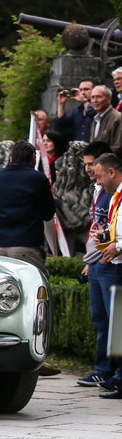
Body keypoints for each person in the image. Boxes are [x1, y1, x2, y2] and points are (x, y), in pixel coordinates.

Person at [76, 141, 117, 388]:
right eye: (87, 165)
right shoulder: (98, 189)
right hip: (97, 262)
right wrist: (90, 260)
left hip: (113, 262)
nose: (90, 170)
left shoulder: (115, 191)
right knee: (100, 319)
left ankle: (115, 373)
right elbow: (96, 227)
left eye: (92, 165)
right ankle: (102, 369)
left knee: (115, 321)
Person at [0, 141, 55, 272]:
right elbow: (48, 213)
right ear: (32, 157)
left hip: (0, 244)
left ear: (11, 157)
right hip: (27, 243)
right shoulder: (38, 179)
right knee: (33, 286)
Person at [91, 153, 122, 398]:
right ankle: (116, 375)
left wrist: (119, 246)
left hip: (119, 264)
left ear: (112, 172)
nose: (98, 181)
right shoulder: (114, 197)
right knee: (111, 323)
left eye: (100, 175)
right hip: (113, 262)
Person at [55, 78, 96, 142]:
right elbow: (62, 122)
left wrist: (84, 101)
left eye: (86, 89)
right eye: (80, 90)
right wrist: (61, 104)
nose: (82, 93)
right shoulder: (77, 110)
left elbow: (92, 112)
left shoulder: (99, 108)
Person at [90, 85, 122, 154]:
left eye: (99, 97)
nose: (95, 100)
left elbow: (117, 147)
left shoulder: (117, 118)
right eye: (92, 97)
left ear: (109, 99)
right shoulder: (95, 121)